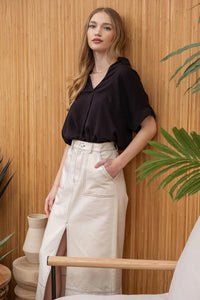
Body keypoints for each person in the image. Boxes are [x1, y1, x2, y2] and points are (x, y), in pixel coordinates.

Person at [36, 7, 156, 300]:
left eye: (106, 27)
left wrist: (117, 164)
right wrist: (56, 186)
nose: (97, 33)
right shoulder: (84, 79)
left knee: (91, 267)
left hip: (100, 172)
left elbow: (149, 126)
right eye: (93, 26)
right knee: (51, 256)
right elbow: (72, 141)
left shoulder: (124, 76)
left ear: (118, 35)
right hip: (71, 174)